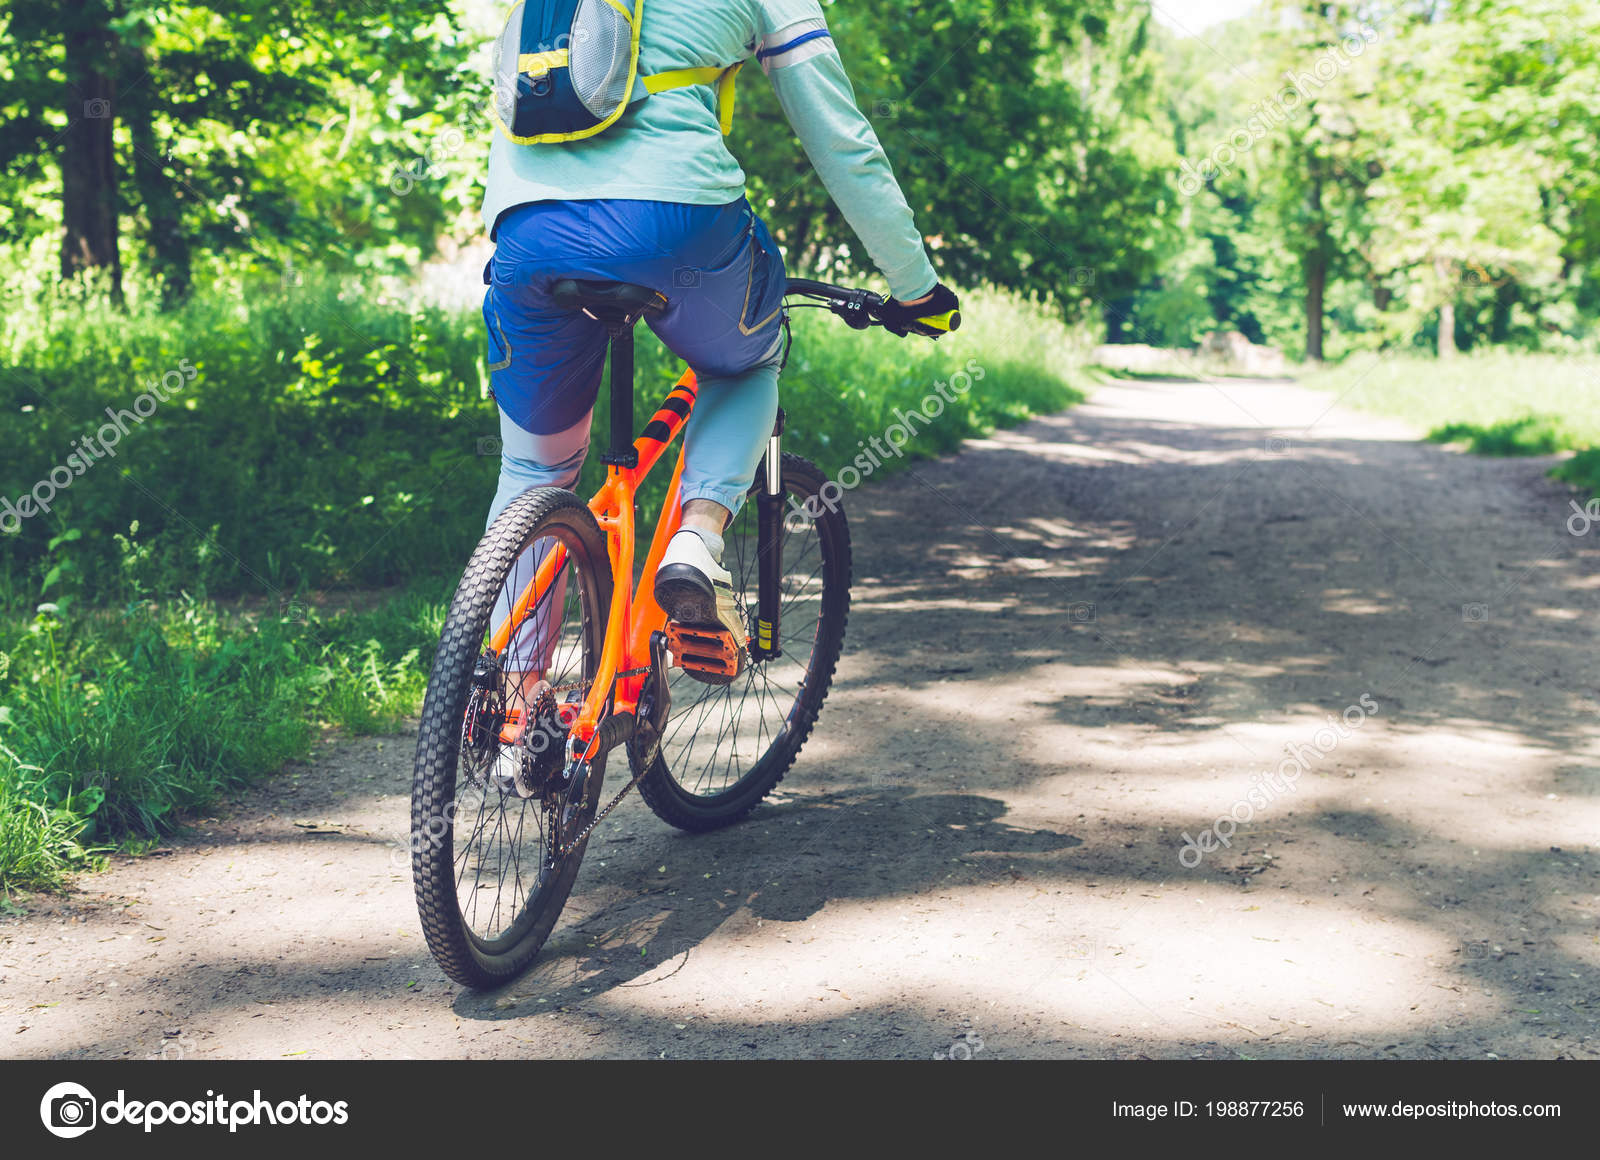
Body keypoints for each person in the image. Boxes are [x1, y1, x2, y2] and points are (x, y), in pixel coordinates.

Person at [482, 0, 958, 713]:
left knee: (535, 466)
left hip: (525, 232)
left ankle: (514, 703)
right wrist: (915, 285)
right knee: (744, 361)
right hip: (675, 223)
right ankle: (697, 540)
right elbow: (842, 141)